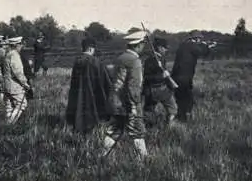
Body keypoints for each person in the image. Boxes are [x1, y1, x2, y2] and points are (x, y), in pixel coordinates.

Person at [101, 29, 148, 161]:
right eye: (143, 44)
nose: (143, 46)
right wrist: (134, 105)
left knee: (114, 130)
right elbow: (134, 86)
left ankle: (101, 156)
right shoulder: (135, 61)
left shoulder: (120, 58)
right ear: (138, 45)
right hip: (128, 104)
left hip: (114, 102)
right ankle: (144, 161)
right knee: (137, 131)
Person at [66, 37, 112, 134]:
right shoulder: (96, 62)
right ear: (91, 49)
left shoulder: (77, 61)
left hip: (78, 93)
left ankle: (77, 129)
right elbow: (105, 81)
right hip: (92, 94)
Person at [171, 31, 213, 121]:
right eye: (199, 39)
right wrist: (208, 46)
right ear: (196, 39)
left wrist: (204, 45)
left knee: (180, 99)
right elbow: (202, 52)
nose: (200, 40)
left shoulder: (183, 45)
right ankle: (183, 119)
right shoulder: (192, 46)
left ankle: (179, 118)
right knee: (188, 100)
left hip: (176, 77)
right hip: (184, 78)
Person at [142, 37, 178, 127]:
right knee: (172, 108)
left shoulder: (161, 59)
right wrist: (161, 76)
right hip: (156, 89)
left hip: (158, 89)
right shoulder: (150, 60)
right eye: (164, 48)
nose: (166, 50)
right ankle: (166, 127)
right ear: (159, 47)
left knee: (149, 111)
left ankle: (153, 127)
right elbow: (146, 77)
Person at [3, 36, 32, 124]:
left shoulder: (8, 54)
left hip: (7, 84)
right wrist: (25, 83)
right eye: (20, 44)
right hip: (15, 85)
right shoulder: (14, 55)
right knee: (22, 104)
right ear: (16, 45)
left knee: (10, 105)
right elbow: (18, 72)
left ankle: (6, 123)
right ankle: (10, 124)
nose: (21, 46)